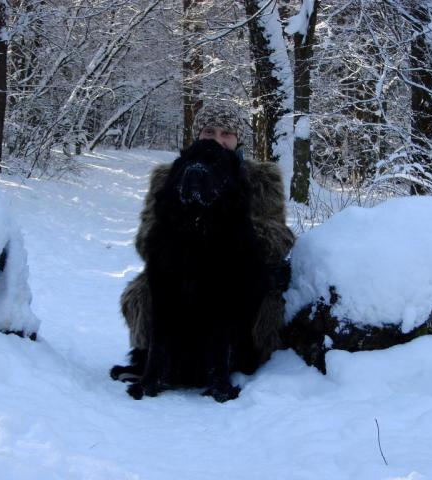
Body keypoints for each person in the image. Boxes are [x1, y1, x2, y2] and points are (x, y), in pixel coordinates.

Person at [111, 101, 295, 381]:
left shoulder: (261, 179)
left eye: (227, 134)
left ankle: (239, 360)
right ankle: (154, 361)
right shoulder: (168, 176)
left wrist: (230, 234)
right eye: (210, 132)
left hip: (238, 272)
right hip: (181, 269)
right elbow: (146, 239)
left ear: (238, 139)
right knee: (146, 290)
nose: (218, 140)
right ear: (197, 134)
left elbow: (278, 236)